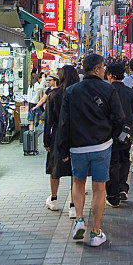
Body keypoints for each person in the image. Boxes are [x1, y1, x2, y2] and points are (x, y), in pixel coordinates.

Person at [57, 53, 124, 246]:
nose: (104, 71)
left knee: (78, 183)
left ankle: (79, 219)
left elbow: (64, 123)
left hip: (77, 147)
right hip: (101, 145)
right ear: (96, 69)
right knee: (99, 188)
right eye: (103, 68)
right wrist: (111, 136)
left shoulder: (71, 91)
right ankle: (95, 233)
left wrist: (62, 150)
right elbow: (119, 118)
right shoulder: (108, 89)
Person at [106, 62, 133, 207]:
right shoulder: (130, 92)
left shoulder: (107, 90)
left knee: (112, 163)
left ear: (110, 75)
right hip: (127, 133)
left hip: (109, 133)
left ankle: (113, 195)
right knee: (124, 160)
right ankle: (122, 187)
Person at [43, 65, 80, 217]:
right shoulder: (79, 94)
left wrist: (46, 141)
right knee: (74, 171)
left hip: (58, 134)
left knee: (55, 167)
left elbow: (48, 120)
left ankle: (54, 199)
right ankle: (73, 205)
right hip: (76, 135)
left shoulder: (53, 94)